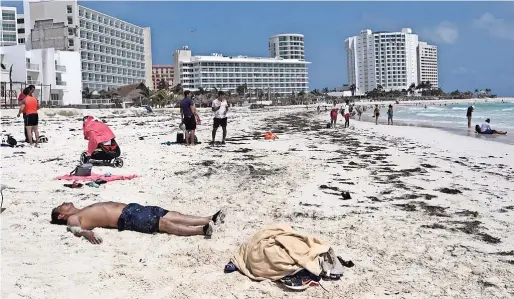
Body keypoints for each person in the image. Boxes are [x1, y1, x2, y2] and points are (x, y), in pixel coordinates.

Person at [50, 202, 226, 244]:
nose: (65, 203)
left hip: (132, 208)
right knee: (162, 223)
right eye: (61, 206)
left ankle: (209, 218)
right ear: (61, 216)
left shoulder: (81, 209)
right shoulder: (74, 218)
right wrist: (85, 233)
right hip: (126, 219)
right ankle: (201, 231)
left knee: (172, 214)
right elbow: (74, 228)